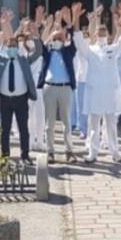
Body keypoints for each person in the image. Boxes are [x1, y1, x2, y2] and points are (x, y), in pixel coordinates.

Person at [0, 11, 42, 162]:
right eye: (10, 46)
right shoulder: (0, 59)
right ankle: (5, 155)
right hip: (5, 99)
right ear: (6, 47)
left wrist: (35, 35)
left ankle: (25, 155)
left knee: (23, 128)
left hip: (21, 99)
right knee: (5, 129)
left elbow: (38, 52)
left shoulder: (24, 59)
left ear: (18, 47)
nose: (12, 48)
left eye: (15, 46)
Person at [72, 3, 121, 164]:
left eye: (104, 32)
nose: (102, 34)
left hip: (110, 93)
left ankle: (115, 153)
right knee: (93, 126)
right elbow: (78, 40)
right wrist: (76, 18)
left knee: (111, 126)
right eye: (99, 32)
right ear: (95, 34)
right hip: (95, 93)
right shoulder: (90, 50)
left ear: (108, 34)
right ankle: (93, 152)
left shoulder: (113, 49)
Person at [36, 11, 79, 163]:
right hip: (49, 88)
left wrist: (69, 25)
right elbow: (40, 42)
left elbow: (74, 41)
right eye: (55, 39)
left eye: (60, 38)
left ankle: (69, 151)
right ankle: (50, 152)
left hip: (65, 88)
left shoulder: (68, 52)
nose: (57, 41)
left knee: (67, 122)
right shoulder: (47, 52)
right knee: (50, 123)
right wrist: (47, 26)